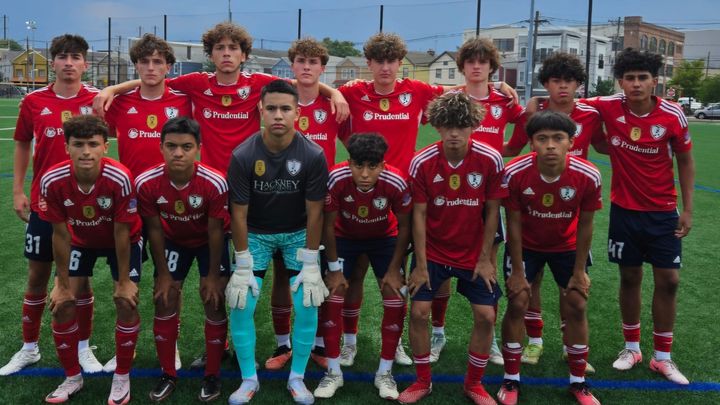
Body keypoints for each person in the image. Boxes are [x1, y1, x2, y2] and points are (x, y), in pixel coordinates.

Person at [95, 22, 347, 174]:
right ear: (211, 55)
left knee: (248, 236)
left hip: (249, 172)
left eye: (233, 48)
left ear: (244, 55)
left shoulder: (257, 82)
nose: (227, 53)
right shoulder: (196, 83)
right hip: (209, 174)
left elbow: (299, 83)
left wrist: (335, 92)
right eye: (220, 48)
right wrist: (111, 90)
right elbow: (155, 80)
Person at [582, 48, 694, 385]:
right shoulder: (608, 106)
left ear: (654, 81)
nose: (635, 84)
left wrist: (688, 209)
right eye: (629, 78)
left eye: (642, 78)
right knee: (629, 277)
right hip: (624, 211)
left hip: (663, 213)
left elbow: (685, 161)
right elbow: (570, 100)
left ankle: (662, 357)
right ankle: (632, 349)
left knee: (669, 280)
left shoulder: (673, 115)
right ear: (620, 81)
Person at [3, 34, 104, 377]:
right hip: (44, 204)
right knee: (37, 276)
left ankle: (83, 347)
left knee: (81, 279)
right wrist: (18, 191)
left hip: (84, 207)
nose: (69, 63)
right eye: (62, 57)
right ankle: (29, 347)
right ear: (54, 62)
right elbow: (21, 143)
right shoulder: (34, 101)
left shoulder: (97, 100)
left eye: (75, 57)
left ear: (85, 64)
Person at [225, 80, 329, 404]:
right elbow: (238, 214)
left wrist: (310, 261)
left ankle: (297, 377)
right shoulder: (243, 155)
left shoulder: (313, 154)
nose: (278, 115)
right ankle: (248, 379)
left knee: (308, 303)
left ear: (298, 112)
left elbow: (315, 213)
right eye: (271, 108)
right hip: (255, 234)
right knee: (241, 303)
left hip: (297, 232)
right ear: (260, 110)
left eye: (286, 108)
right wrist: (242, 262)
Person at [399, 92, 506, 404]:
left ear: (473, 126)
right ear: (437, 126)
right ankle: (422, 381)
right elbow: (419, 215)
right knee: (419, 312)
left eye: (461, 126)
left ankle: (474, 384)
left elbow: (492, 212)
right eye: (447, 126)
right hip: (433, 251)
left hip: (473, 252)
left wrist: (485, 259)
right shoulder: (422, 161)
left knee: (486, 316)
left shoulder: (490, 159)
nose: (454, 133)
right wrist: (420, 265)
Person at [501, 52, 606, 371]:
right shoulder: (534, 113)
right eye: (555, 81)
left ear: (578, 85)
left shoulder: (591, 114)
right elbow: (513, 147)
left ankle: (567, 344)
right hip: (535, 201)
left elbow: (603, 144)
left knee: (570, 286)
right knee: (530, 283)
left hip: (571, 202)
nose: (562, 87)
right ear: (545, 84)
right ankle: (534, 340)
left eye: (569, 81)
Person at [427, 37, 525, 365]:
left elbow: (523, 127)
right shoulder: (451, 98)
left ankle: (490, 338)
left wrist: (504, 151)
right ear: (463, 66)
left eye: (483, 61)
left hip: (486, 193)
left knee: (487, 264)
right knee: (440, 268)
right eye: (471, 61)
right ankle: (438, 332)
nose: (477, 66)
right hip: (450, 192)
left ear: (492, 66)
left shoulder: (503, 99)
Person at [100, 32, 191, 375]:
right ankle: (128, 345)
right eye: (144, 61)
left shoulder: (184, 101)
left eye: (158, 62)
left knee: (170, 280)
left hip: (172, 204)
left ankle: (171, 343)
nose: (151, 67)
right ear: (136, 66)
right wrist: (111, 90)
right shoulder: (119, 104)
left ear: (168, 67)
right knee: (126, 279)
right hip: (130, 205)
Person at [497, 111, 602, 405]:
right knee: (518, 300)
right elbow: (513, 223)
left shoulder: (588, 174)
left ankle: (578, 382)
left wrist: (579, 271)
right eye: (542, 139)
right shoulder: (515, 172)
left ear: (571, 142)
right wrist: (518, 272)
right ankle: (511, 378)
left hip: (566, 246)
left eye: (558, 138)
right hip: (527, 246)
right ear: (532, 143)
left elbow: (586, 224)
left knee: (577, 303)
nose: (550, 145)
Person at [39, 115, 142, 404]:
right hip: (80, 241)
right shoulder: (52, 179)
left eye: (93, 144)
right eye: (78, 144)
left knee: (126, 301)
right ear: (66, 147)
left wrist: (124, 281)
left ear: (105, 147)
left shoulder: (119, 177)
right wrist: (61, 284)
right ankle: (72, 377)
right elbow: (60, 235)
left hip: (121, 240)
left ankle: (122, 376)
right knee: (62, 305)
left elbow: (122, 232)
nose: (86, 151)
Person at [134, 117, 230, 402]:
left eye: (186, 147)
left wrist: (212, 275)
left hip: (209, 243)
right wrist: (163, 274)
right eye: (171, 146)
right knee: (164, 298)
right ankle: (168, 374)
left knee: (214, 299)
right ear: (161, 147)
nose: (178, 153)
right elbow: (153, 229)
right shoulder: (146, 183)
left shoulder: (214, 182)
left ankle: (212, 375)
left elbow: (215, 231)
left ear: (198, 148)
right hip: (173, 241)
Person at [314, 133, 412, 400]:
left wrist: (394, 268)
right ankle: (334, 371)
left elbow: (405, 227)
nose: (365, 174)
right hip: (344, 237)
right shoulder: (336, 178)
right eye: (359, 166)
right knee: (333, 294)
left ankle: (385, 373)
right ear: (349, 163)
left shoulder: (396, 181)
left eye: (372, 166)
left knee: (395, 294)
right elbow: (327, 226)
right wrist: (334, 269)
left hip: (383, 238)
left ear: (383, 165)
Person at [266, 37, 343, 372]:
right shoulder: (280, 99)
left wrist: (335, 93)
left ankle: (318, 343)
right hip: (282, 199)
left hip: (321, 204)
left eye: (313, 62)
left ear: (323, 68)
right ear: (292, 65)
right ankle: (283, 343)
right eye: (301, 61)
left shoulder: (335, 105)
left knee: (320, 274)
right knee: (282, 275)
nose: (307, 67)